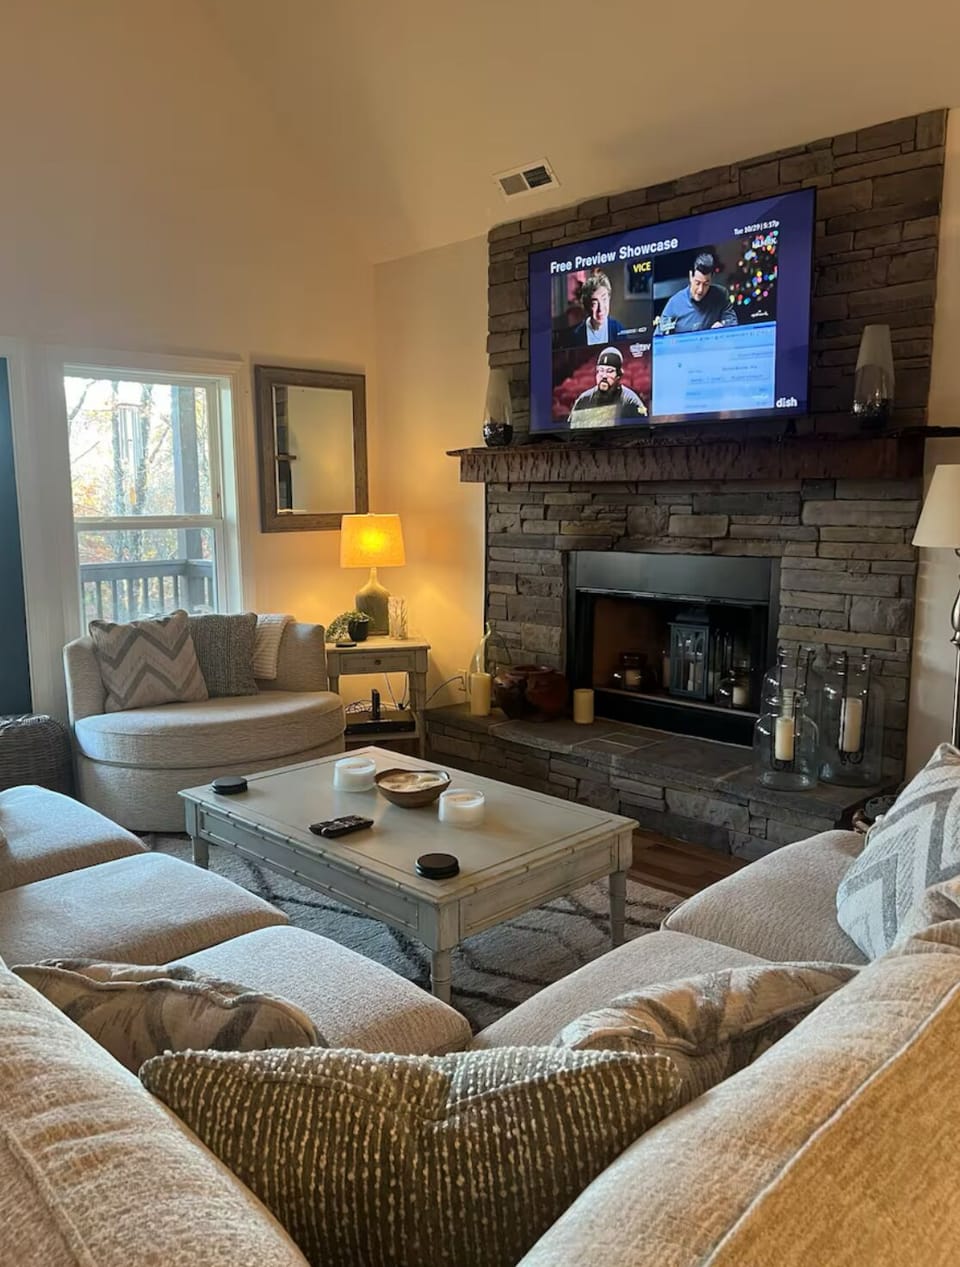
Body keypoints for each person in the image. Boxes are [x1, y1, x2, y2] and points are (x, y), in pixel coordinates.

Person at [655, 251, 737, 335]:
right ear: (691, 276)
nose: (700, 290)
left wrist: (723, 325)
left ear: (712, 279)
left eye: (706, 284)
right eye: (697, 283)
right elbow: (658, 337)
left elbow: (732, 321)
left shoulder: (721, 295)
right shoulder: (674, 304)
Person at [568, 347, 647, 428]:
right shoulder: (583, 399)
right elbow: (572, 429)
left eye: (609, 371)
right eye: (601, 370)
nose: (604, 376)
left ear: (618, 376)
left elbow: (643, 430)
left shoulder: (631, 401)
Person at [562, 271, 626, 346]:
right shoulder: (576, 335)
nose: (600, 309)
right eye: (594, 303)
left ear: (609, 298)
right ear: (587, 305)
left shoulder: (618, 329)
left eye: (604, 299)